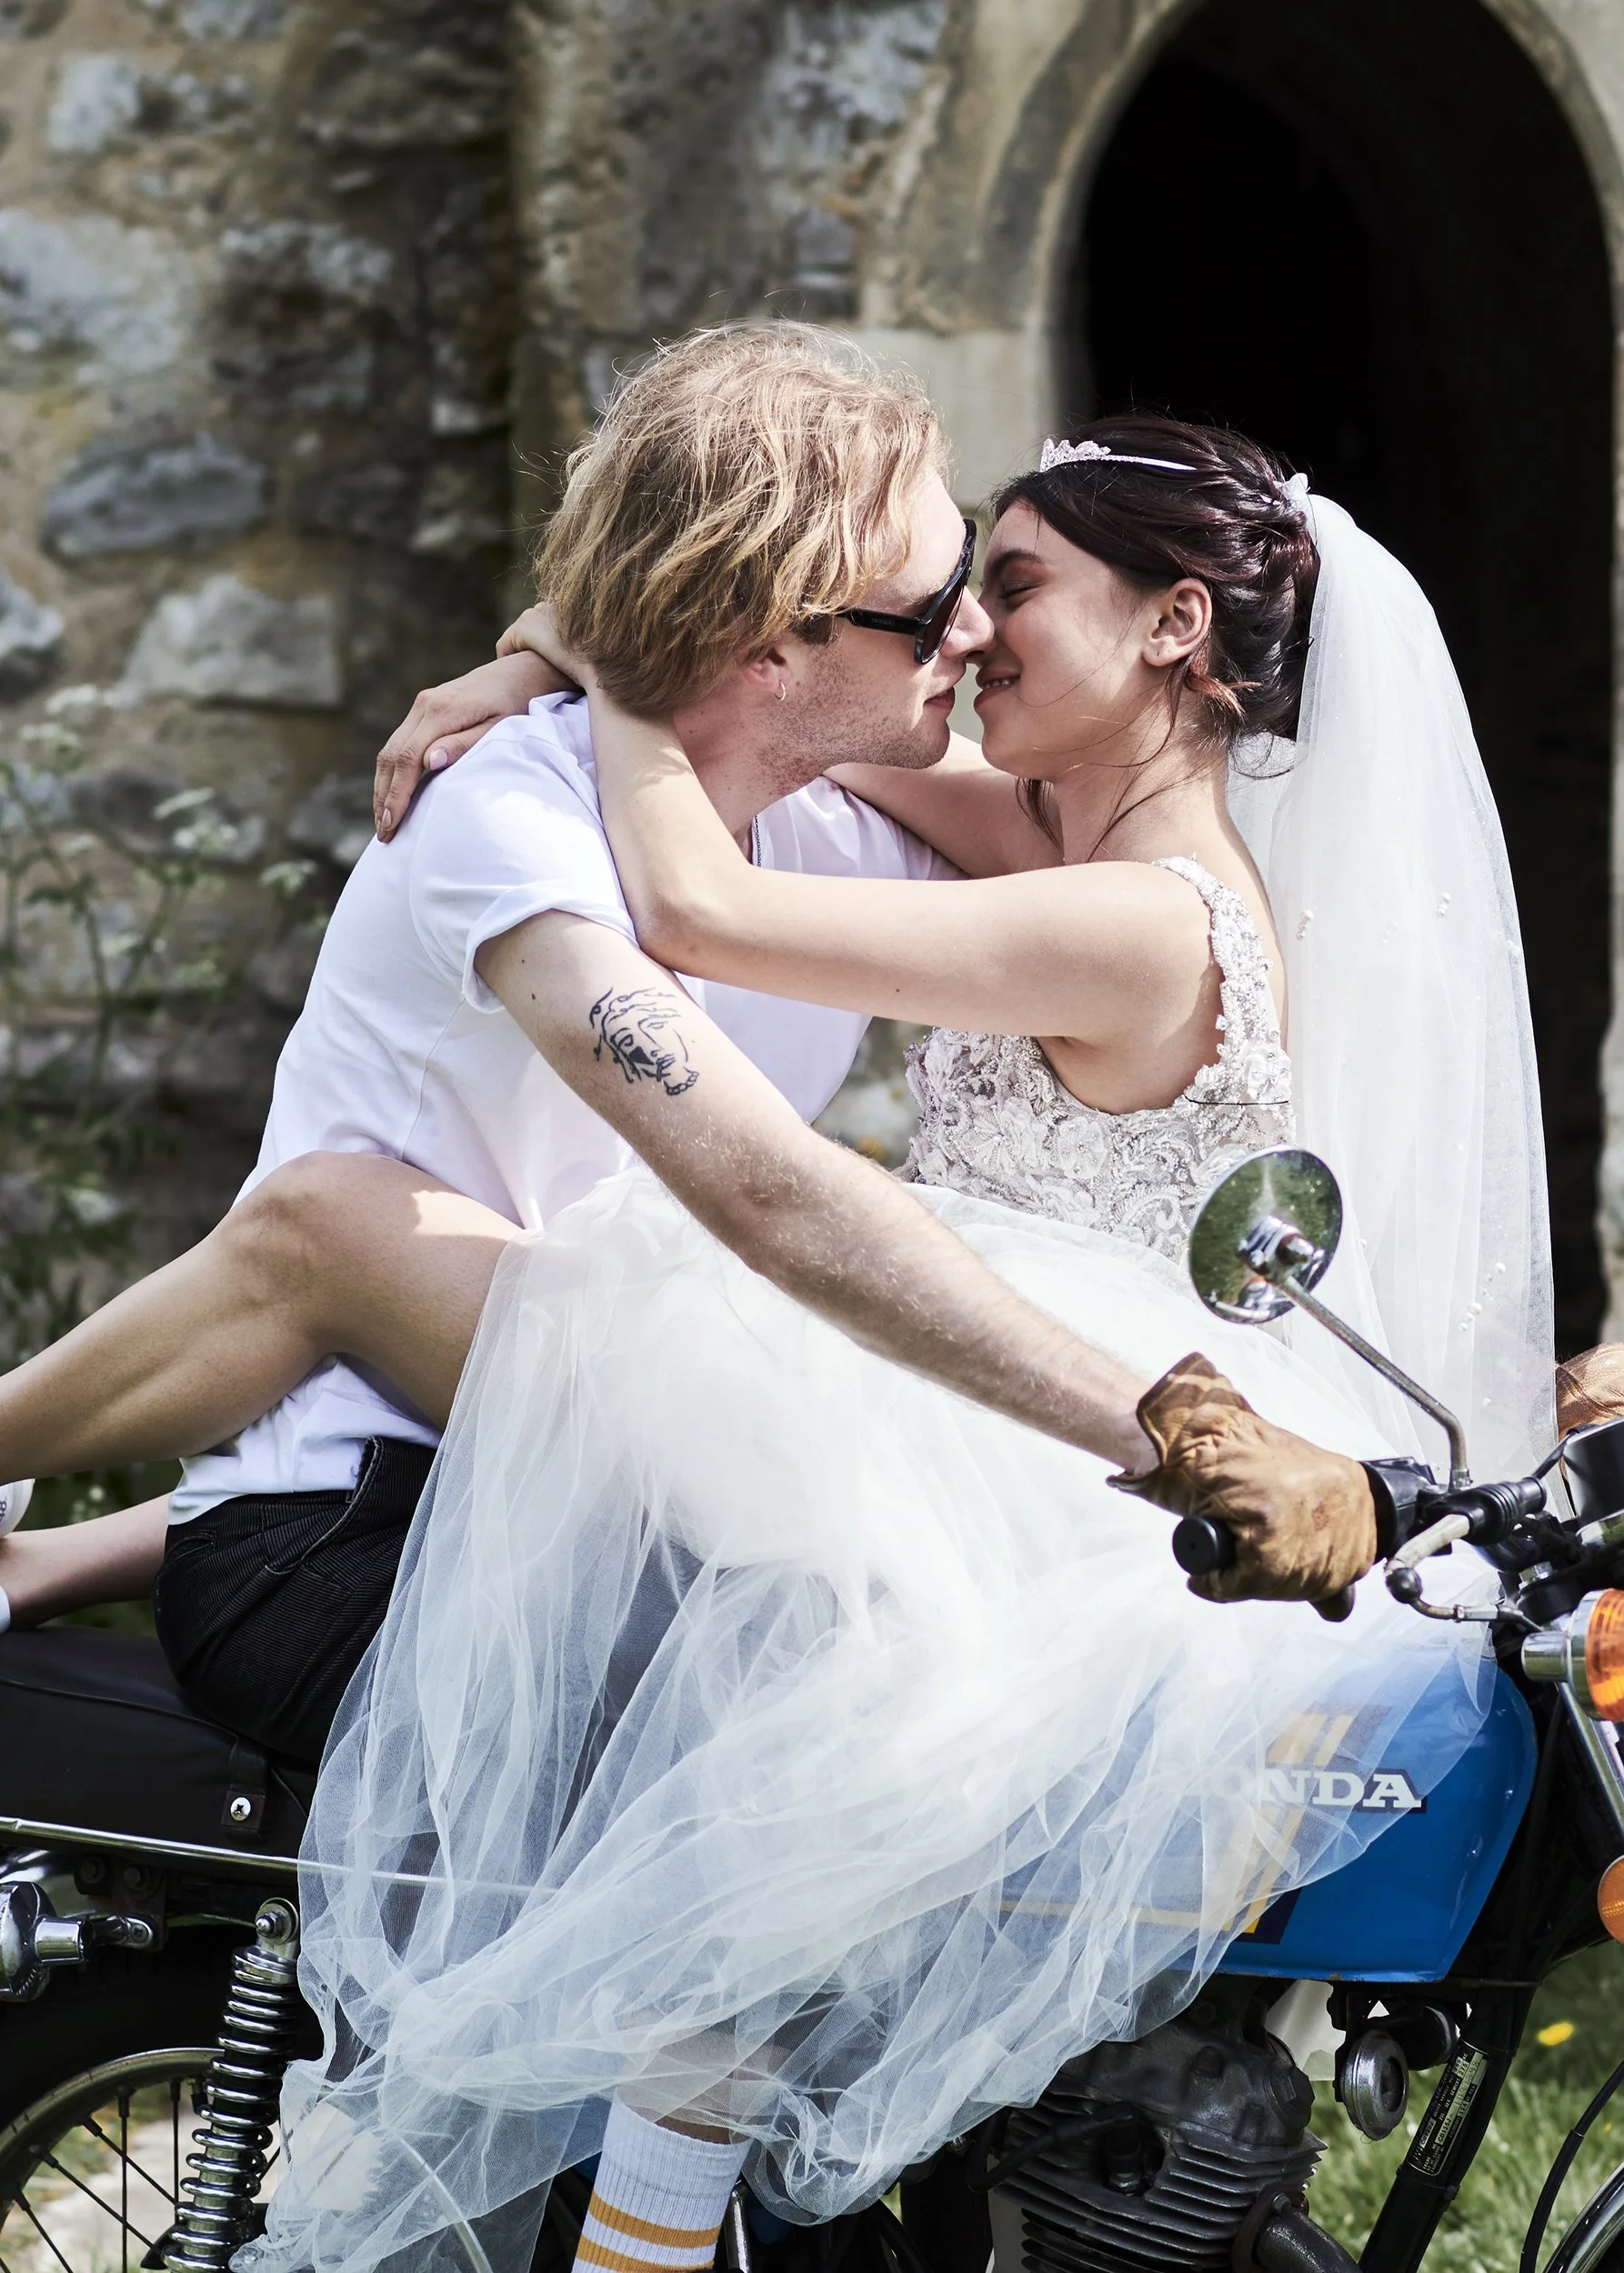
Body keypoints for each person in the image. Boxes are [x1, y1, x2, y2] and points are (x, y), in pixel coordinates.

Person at [232, 416, 1552, 2273]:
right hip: (969, 1409)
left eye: (1012, 585)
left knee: (740, 1681)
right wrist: (554, 640)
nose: (967, 631)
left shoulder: (1134, 912)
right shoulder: (1042, 830)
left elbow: (699, 904)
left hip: (1047, 1458)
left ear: (1176, 627)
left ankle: (642, 2239)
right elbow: (781, 668)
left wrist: (601, 650)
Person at [0, 331, 1369, 1741]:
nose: (970, 632)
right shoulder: (508, 818)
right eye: (940, 597)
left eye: (991, 581)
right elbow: (760, 1186)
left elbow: (995, 859)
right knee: (344, 1224)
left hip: (607, 1485)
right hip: (366, 1530)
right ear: (772, 639)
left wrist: (558, 645)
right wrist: (1167, 1432)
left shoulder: (849, 829)